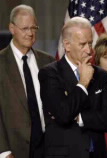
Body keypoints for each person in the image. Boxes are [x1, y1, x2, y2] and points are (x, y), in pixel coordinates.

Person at [38, 17, 107, 158]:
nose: (89, 50)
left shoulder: (101, 75)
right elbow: (63, 115)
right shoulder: (49, 74)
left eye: (90, 43)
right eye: (82, 44)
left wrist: (79, 118)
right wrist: (83, 83)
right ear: (67, 45)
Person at [0, 4, 55, 158]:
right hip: (15, 149)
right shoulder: (1, 63)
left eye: (34, 28)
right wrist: (4, 151)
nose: (30, 33)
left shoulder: (48, 61)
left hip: (49, 146)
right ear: (12, 28)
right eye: (25, 28)